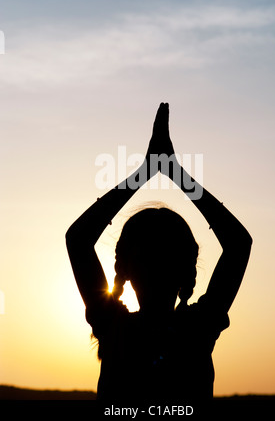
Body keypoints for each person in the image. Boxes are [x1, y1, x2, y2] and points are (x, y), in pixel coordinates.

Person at [66, 103, 252, 414]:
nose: (156, 267)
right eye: (149, 256)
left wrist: (148, 172)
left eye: (163, 257)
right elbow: (238, 244)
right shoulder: (196, 328)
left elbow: (78, 239)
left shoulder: (115, 325)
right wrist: (170, 172)